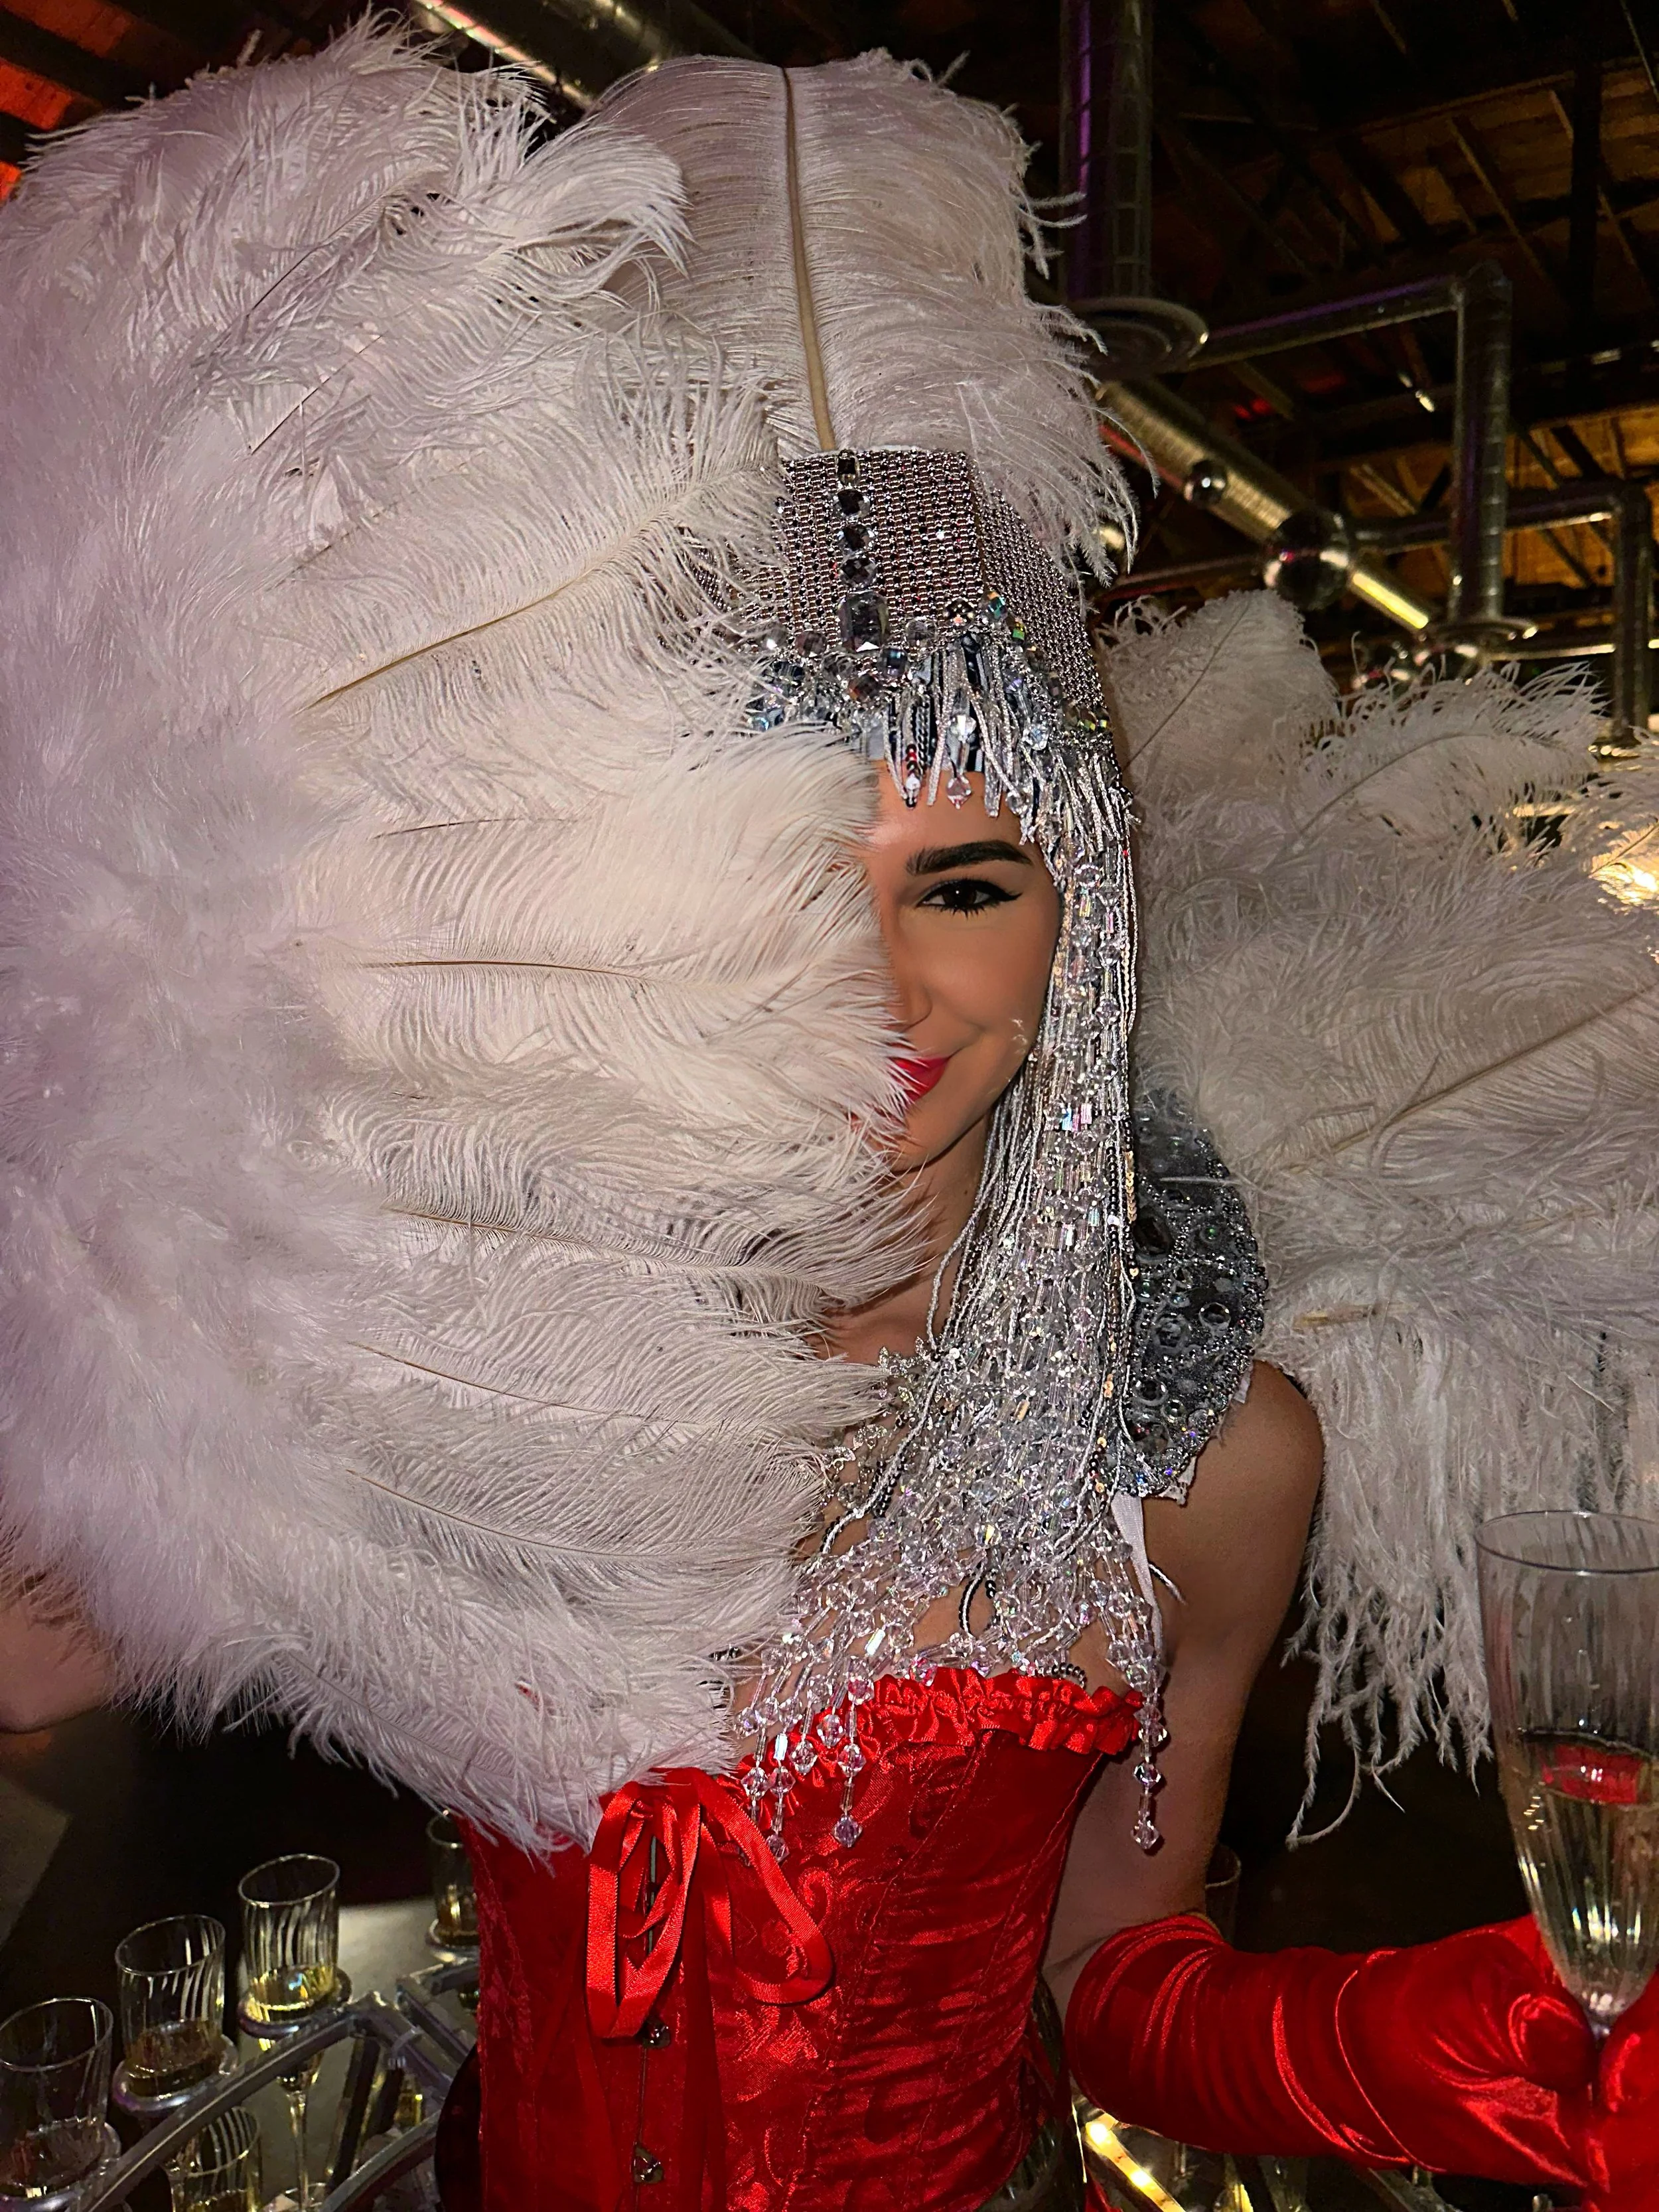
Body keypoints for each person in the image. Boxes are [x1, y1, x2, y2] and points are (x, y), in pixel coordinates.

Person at [0, 31, 1656, 2212]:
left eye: (963, 884)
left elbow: (1106, 1969)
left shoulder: (1208, 1457)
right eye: (789, 876)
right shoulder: (421, 1349)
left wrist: (1411, 2046)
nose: (881, 988)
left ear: (1077, 919)